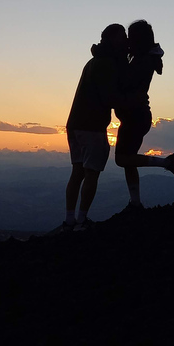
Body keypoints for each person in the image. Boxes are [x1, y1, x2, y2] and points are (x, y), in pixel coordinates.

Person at [63, 24, 131, 231]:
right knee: (91, 173)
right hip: (91, 126)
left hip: (74, 124)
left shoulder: (93, 61)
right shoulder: (107, 63)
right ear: (112, 40)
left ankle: (69, 220)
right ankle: (82, 221)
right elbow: (109, 97)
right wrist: (130, 101)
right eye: (122, 37)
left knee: (77, 172)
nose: (126, 41)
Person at [114, 20, 174, 210]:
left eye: (130, 37)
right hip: (135, 116)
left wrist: (118, 59)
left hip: (135, 116)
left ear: (137, 40)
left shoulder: (142, 61)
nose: (127, 41)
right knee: (129, 160)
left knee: (122, 159)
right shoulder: (143, 59)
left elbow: (125, 83)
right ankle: (135, 203)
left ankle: (168, 163)